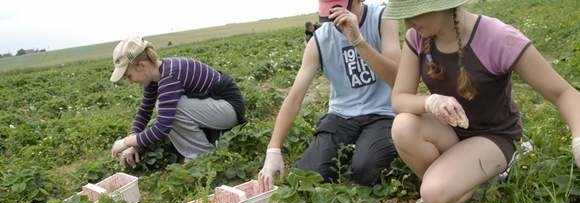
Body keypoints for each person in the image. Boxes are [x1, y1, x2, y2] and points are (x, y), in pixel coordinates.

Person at [383, 0, 580, 203]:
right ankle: (455, 183)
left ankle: (462, 182)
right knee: (403, 126)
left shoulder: (497, 37)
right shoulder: (418, 38)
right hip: (449, 130)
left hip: (493, 136)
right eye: (405, 16)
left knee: (433, 193)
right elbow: (399, 99)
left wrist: (578, 138)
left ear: (441, 6)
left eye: (414, 14)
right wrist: (431, 101)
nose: (408, 24)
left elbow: (563, 93)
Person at [258, 0, 401, 189]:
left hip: (383, 112)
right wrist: (273, 149)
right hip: (342, 116)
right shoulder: (320, 39)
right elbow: (294, 99)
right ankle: (353, 149)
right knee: (308, 176)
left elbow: (399, 80)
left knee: (366, 169)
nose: (333, 19)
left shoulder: (382, 18)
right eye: (329, 12)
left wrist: (358, 41)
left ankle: (364, 151)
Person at [108, 36, 246, 167]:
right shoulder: (156, 77)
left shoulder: (170, 76)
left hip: (230, 109)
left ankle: (201, 157)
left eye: (129, 75)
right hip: (216, 108)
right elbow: (144, 112)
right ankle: (205, 143)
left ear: (142, 66)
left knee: (167, 109)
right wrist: (132, 143)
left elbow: (163, 127)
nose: (130, 81)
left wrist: (127, 142)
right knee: (163, 107)